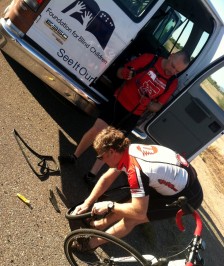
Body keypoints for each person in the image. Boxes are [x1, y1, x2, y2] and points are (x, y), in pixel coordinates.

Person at [58, 50, 190, 183]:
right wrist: (125, 74)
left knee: (112, 146)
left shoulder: (172, 82)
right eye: (173, 66)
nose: (172, 71)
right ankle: (74, 157)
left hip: (133, 114)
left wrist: (148, 103)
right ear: (171, 56)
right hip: (118, 102)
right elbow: (120, 72)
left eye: (177, 71)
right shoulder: (149, 59)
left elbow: (157, 106)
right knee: (97, 130)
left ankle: (91, 175)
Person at [72, 126, 203, 252]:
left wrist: (109, 205)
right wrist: (87, 203)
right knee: (128, 205)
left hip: (188, 196)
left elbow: (138, 212)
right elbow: (107, 178)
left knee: (132, 217)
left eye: (101, 157)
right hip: (175, 178)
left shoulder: (136, 170)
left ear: (111, 151)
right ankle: (100, 225)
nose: (100, 160)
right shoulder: (127, 149)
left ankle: (91, 243)